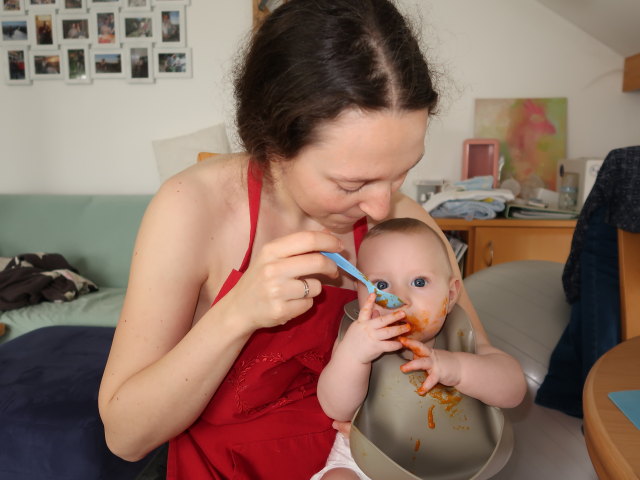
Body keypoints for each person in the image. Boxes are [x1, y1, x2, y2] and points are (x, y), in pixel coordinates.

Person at [98, 1, 526, 479]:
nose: (383, 209)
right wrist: (237, 314)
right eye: (351, 184)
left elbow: (478, 367)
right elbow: (125, 438)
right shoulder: (191, 209)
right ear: (274, 143)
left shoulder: (405, 227)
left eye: (402, 173)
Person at [313, 218, 525, 480]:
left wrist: (457, 369)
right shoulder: (357, 337)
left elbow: (513, 390)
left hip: (446, 463)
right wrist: (355, 356)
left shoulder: (459, 335)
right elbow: (336, 409)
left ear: (450, 295)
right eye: (381, 285)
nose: (401, 298)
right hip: (366, 457)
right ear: (359, 290)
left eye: (419, 282)